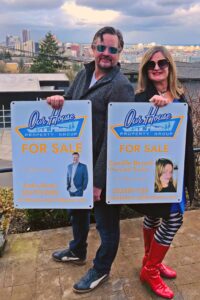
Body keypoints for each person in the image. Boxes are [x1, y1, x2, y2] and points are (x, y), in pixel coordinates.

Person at [47, 26, 135, 293]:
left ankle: (101, 269)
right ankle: (77, 250)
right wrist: (58, 101)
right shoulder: (84, 73)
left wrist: (98, 181)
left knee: (107, 225)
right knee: (77, 212)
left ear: (119, 53)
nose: (105, 53)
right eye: (101, 47)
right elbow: (72, 102)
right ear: (93, 48)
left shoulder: (121, 87)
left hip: (103, 170)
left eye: (112, 49)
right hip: (78, 161)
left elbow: (115, 139)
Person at [133, 46, 195, 299]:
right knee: (172, 218)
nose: (157, 68)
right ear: (145, 70)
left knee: (158, 217)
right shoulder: (140, 98)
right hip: (154, 169)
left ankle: (152, 263)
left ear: (170, 66)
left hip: (175, 166)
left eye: (162, 63)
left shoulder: (179, 95)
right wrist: (152, 109)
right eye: (151, 64)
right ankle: (150, 269)